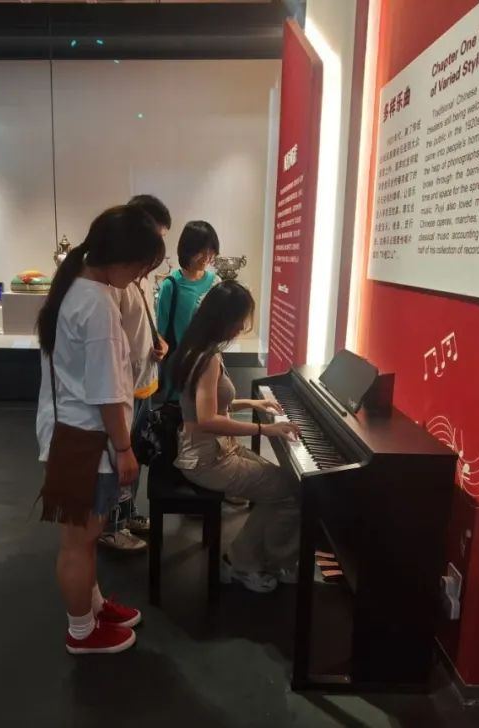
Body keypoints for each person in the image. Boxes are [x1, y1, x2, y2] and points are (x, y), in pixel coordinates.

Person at [36, 205, 165, 654]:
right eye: (142, 266)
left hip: (73, 432)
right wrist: (125, 449)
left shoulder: (78, 285)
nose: (141, 275)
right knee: (79, 542)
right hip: (86, 439)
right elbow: (108, 390)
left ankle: (91, 607)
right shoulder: (97, 304)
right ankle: (81, 631)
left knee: (85, 539)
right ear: (123, 258)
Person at [171, 281, 301, 594]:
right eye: (240, 319)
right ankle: (244, 563)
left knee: (285, 482)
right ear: (224, 319)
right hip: (207, 459)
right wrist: (264, 429)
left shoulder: (196, 348)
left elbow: (209, 406)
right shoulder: (208, 358)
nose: (242, 327)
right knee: (289, 491)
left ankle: (260, 558)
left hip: (209, 450)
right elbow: (208, 419)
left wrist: (251, 404)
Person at [98, 195, 172, 552]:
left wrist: (160, 342)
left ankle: (127, 515)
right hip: (124, 385)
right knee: (119, 457)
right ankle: (110, 526)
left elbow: (142, 321)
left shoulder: (139, 274)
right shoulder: (113, 280)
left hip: (145, 380)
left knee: (136, 456)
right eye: (155, 235)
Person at [154, 220, 221, 398]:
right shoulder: (171, 285)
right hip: (180, 369)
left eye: (211, 251)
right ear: (187, 250)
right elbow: (161, 331)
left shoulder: (215, 282)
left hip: (208, 363)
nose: (206, 257)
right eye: (201, 251)